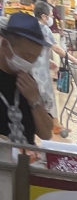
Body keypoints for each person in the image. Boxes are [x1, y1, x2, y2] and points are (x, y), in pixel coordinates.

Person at [0, 14, 54, 143]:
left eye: (34, 58)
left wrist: (34, 100)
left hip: (26, 154)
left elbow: (46, 134)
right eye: (26, 56)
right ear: (5, 45)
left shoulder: (28, 81)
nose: (29, 63)